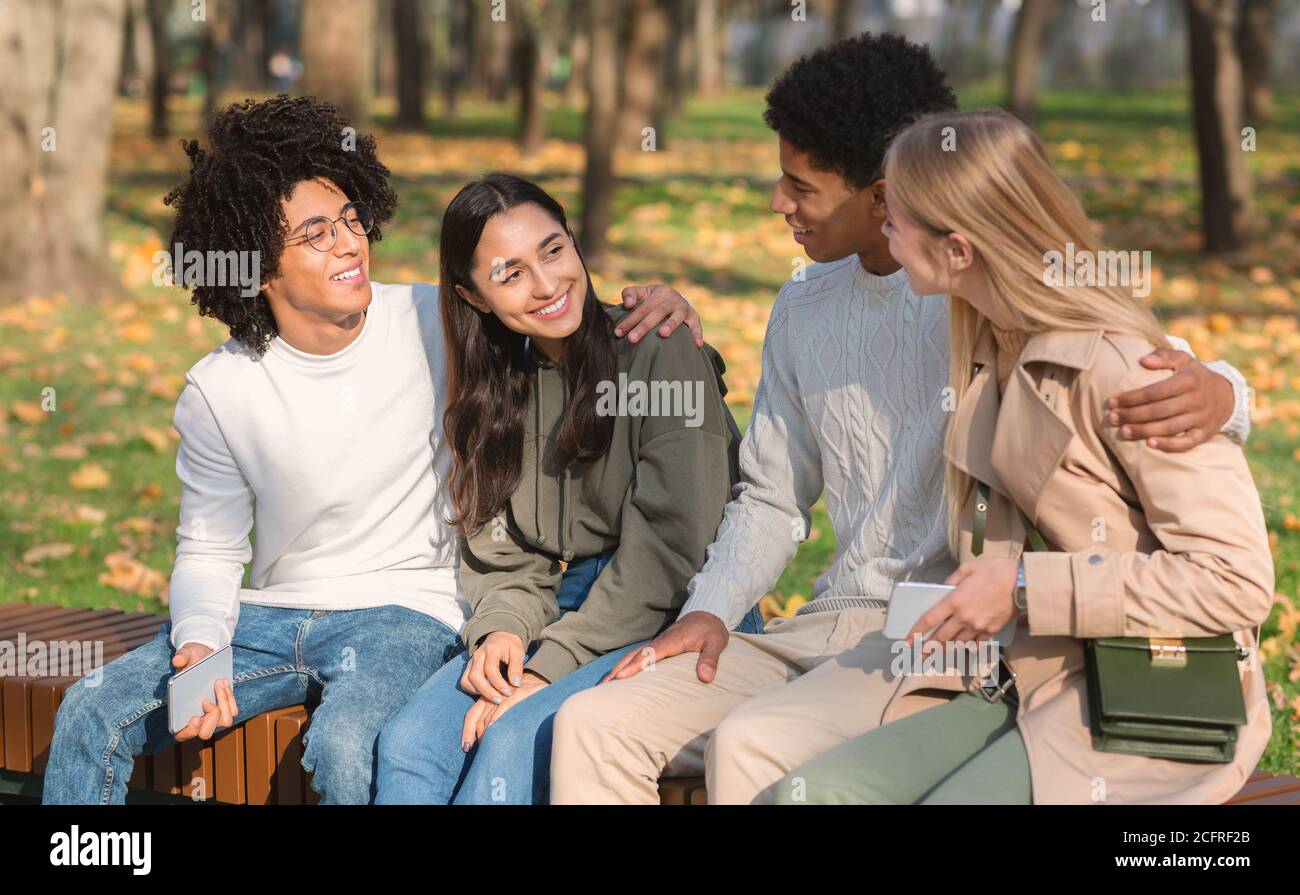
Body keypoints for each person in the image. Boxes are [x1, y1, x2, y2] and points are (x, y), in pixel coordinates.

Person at [549, 32, 1253, 805]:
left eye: (799, 186)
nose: (777, 203)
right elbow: (774, 497)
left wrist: (1224, 390)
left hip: (941, 633)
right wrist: (710, 609)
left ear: (886, 198)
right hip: (821, 623)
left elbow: (1126, 361)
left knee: (759, 745)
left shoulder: (971, 305)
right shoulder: (810, 306)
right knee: (592, 723)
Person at [42, 96, 701, 805]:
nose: (352, 244)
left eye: (351, 218)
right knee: (90, 710)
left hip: (408, 611)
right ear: (260, 267)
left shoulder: (440, 323)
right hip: (265, 619)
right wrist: (201, 644)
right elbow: (207, 549)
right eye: (317, 234)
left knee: (349, 740)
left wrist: (663, 308)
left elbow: (551, 307)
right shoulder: (219, 389)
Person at [772, 108, 1273, 804]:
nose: (883, 223)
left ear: (959, 250)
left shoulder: (1128, 370)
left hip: (1150, 701)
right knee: (807, 793)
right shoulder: (983, 342)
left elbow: (1236, 580)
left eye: (901, 214)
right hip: (1020, 675)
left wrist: (1021, 586)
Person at [375, 174, 760, 805]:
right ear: (473, 296)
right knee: (411, 745)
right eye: (511, 273)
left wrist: (545, 666)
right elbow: (506, 551)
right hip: (562, 606)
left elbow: (673, 549)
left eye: (554, 251)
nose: (548, 285)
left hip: (678, 606)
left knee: (513, 741)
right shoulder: (494, 386)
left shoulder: (660, 352)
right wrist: (502, 627)